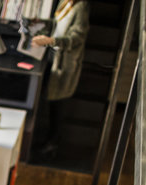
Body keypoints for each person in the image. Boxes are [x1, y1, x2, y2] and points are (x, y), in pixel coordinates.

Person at [32, 0, 90, 159]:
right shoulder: (64, 3)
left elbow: (76, 37)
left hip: (65, 62)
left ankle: (52, 144)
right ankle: (45, 142)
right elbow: (57, 24)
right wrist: (41, 23)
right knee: (47, 100)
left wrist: (51, 41)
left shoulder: (81, 7)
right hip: (53, 57)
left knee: (57, 106)